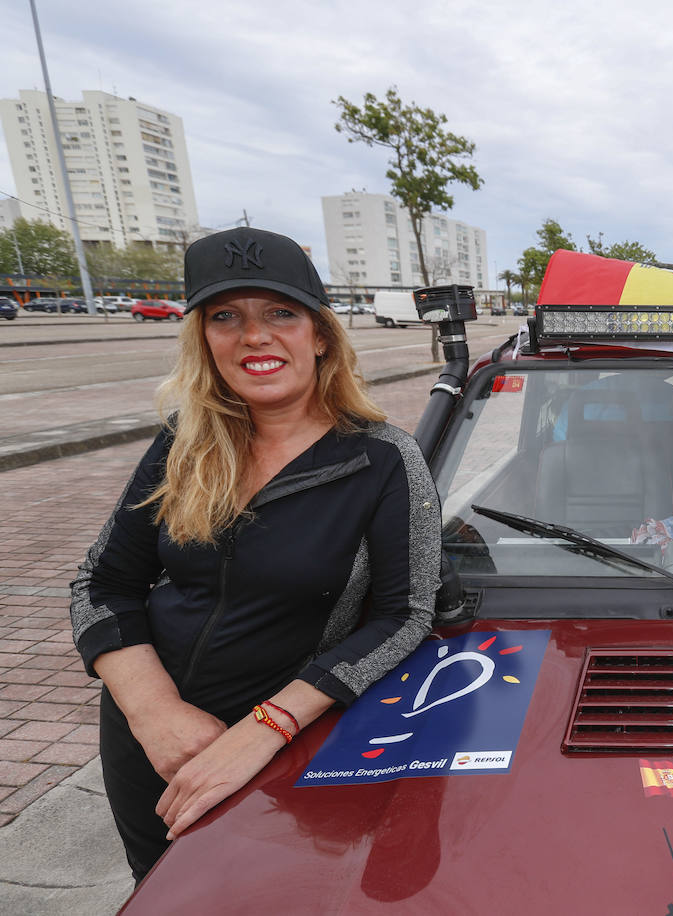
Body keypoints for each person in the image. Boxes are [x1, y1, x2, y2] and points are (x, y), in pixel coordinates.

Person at [70, 227, 441, 880]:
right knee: (162, 891)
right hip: (145, 741)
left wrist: (266, 727)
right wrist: (155, 716)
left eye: (280, 313)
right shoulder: (183, 441)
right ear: (205, 340)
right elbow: (103, 584)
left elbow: (404, 614)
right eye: (225, 317)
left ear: (319, 334)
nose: (254, 336)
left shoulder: (381, 458)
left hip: (279, 745)